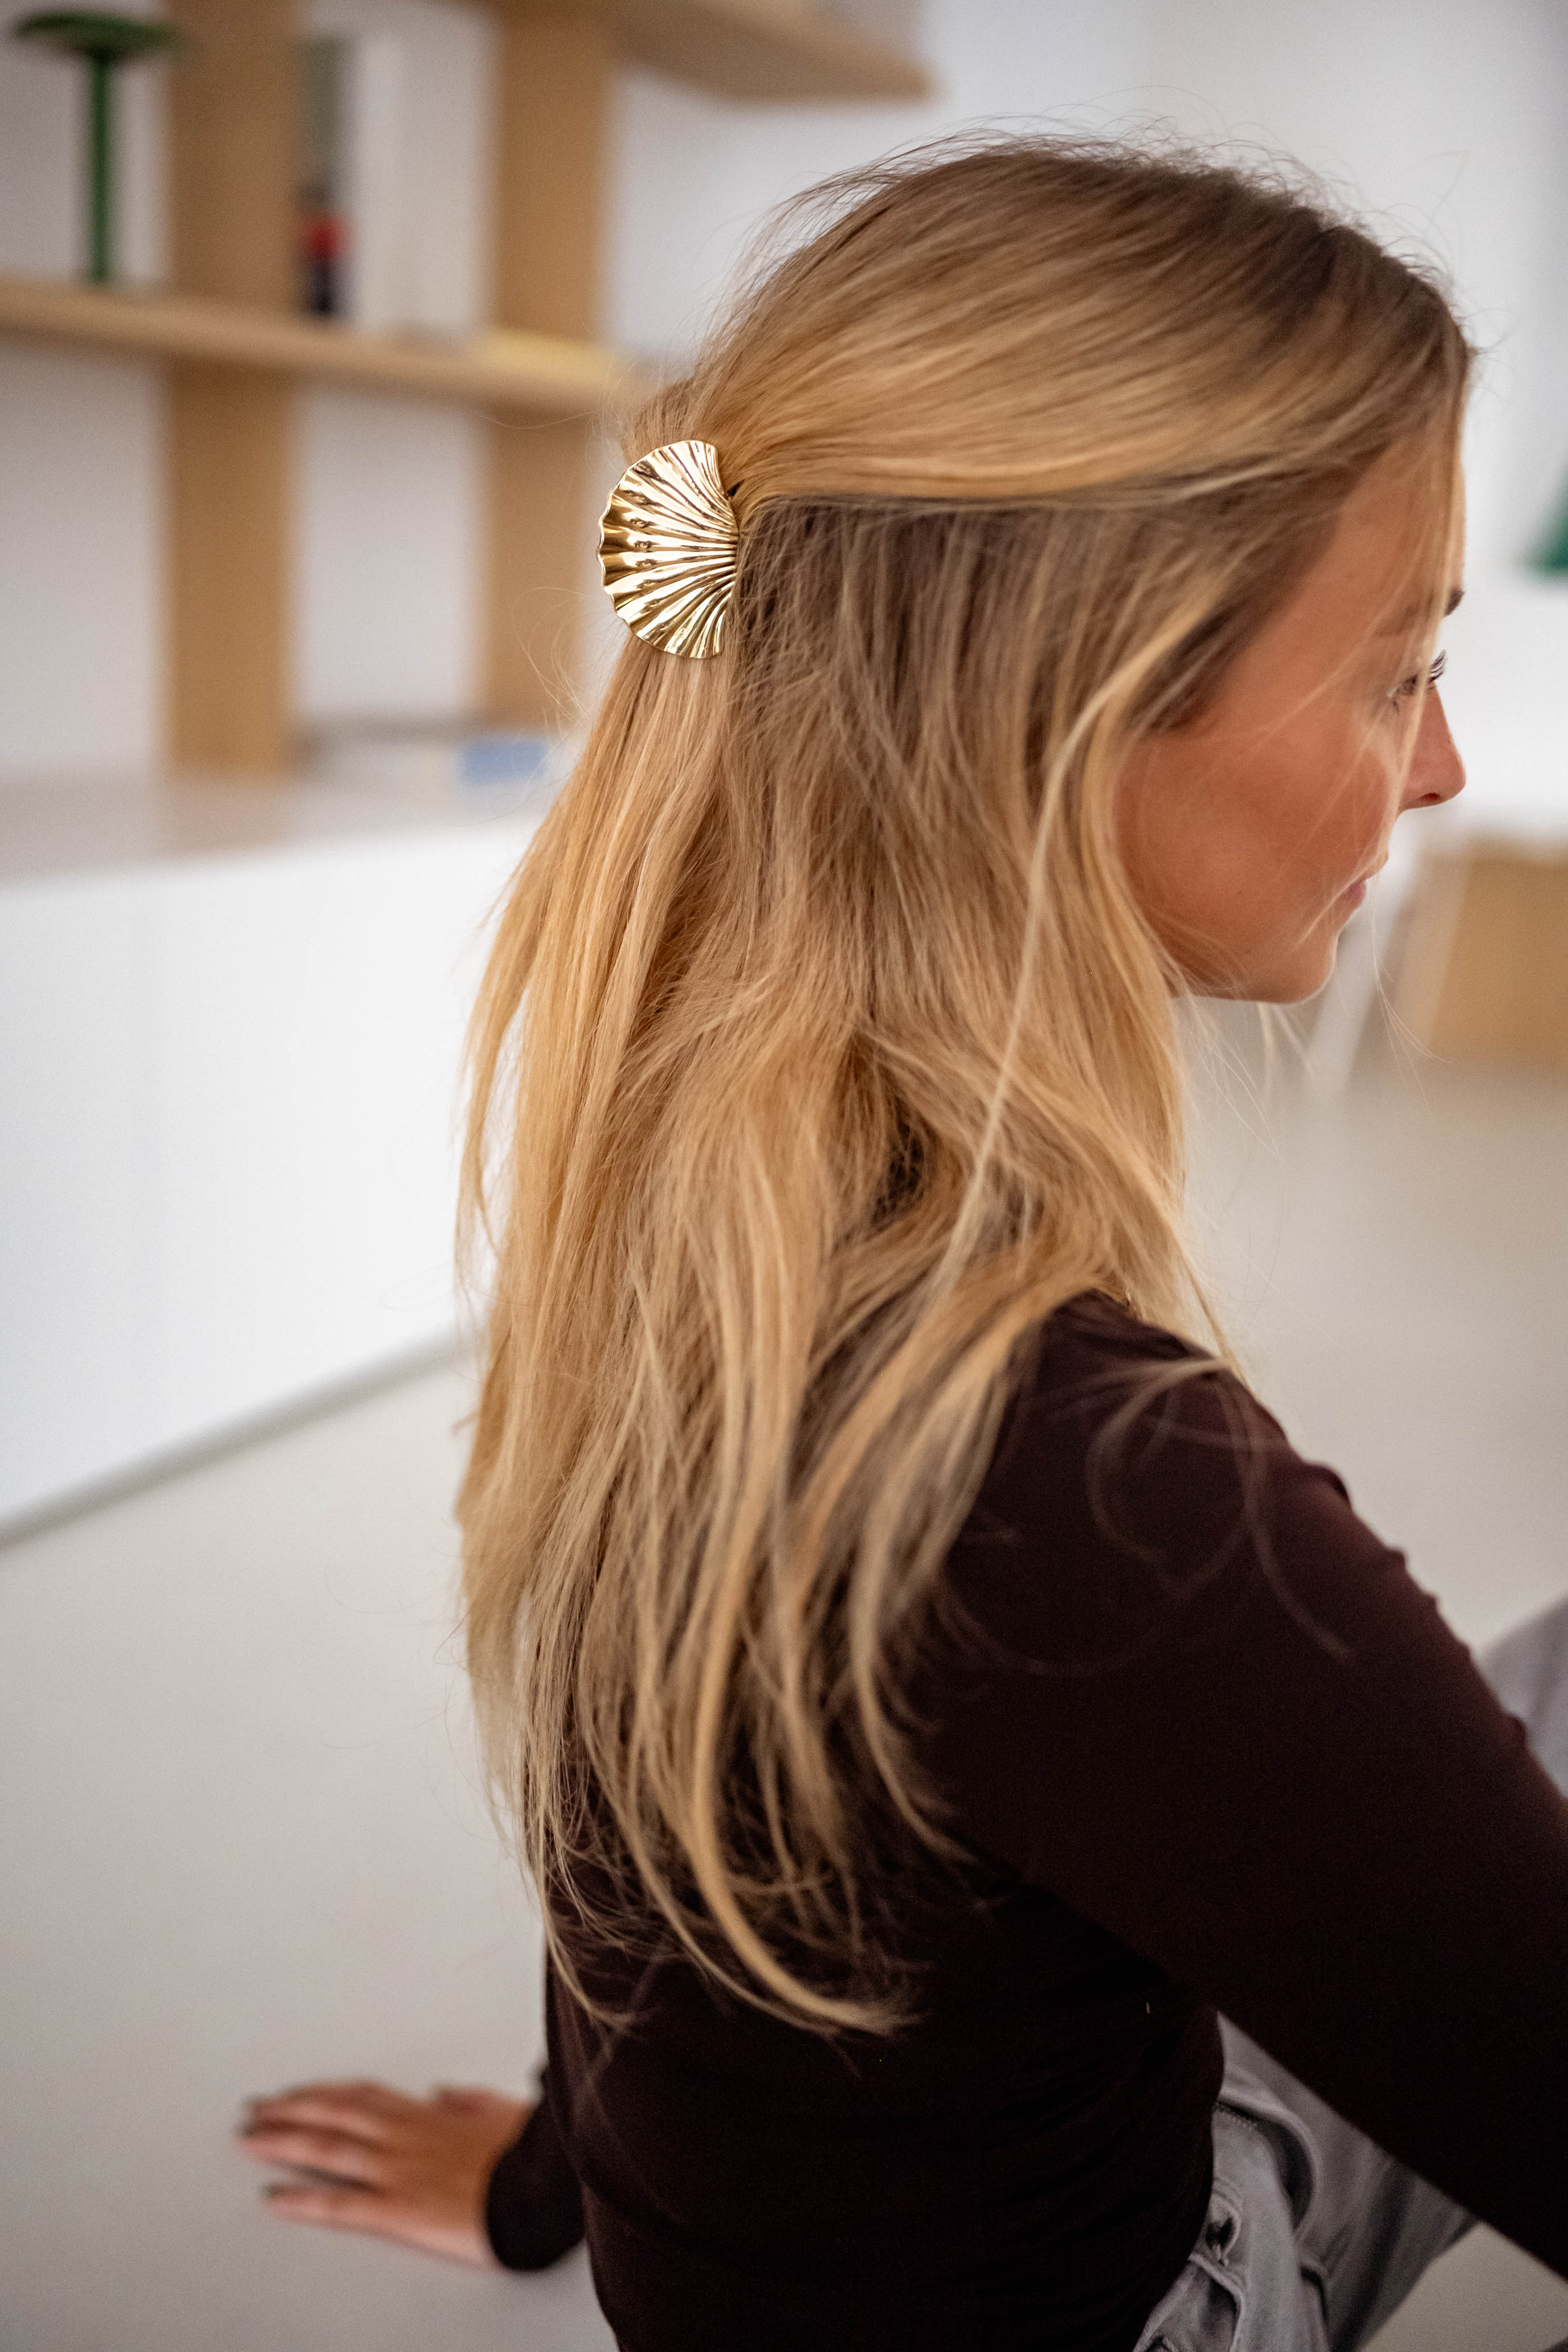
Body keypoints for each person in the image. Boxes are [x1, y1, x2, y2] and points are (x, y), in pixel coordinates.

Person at [239, 138, 1568, 2351]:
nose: (1435, 766)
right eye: (1394, 670)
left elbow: (675, 1825)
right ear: (1071, 707)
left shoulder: (708, 1234)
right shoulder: (1098, 1496)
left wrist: (563, 2182)